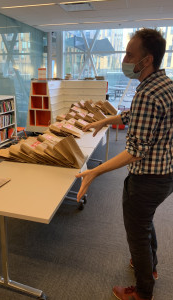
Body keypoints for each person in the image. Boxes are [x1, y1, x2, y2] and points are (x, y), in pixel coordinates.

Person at [76, 28, 173, 300]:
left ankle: (143, 293)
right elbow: (134, 116)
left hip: (146, 179)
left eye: (130, 54)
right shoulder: (165, 85)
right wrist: (104, 121)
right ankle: (149, 269)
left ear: (147, 60)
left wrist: (94, 171)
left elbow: (134, 151)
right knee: (145, 223)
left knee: (137, 236)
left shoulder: (147, 93)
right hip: (166, 173)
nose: (126, 59)